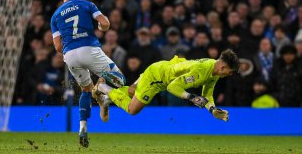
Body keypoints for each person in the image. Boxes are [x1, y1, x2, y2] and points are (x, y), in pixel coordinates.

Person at [50, 0, 125, 148]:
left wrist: (71, 51)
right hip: (89, 49)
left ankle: (82, 127)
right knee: (120, 80)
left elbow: (57, 46)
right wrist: (102, 29)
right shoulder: (86, 4)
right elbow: (105, 23)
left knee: (85, 89)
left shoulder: (55, 15)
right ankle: (102, 93)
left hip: (69, 54)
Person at [93, 49, 240, 122]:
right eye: (229, 72)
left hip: (161, 68)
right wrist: (192, 97)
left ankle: (107, 99)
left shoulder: (214, 70)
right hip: (156, 78)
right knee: (132, 109)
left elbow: (207, 94)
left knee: (132, 92)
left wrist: (212, 110)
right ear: (223, 68)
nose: (229, 75)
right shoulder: (200, 72)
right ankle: (103, 89)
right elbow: (172, 87)